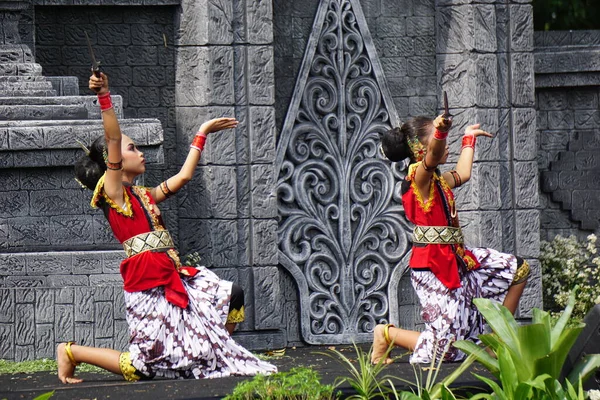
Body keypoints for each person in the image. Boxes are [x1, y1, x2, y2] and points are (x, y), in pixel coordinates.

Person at [58, 73, 277, 383]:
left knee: (233, 295)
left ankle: (221, 348)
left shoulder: (144, 195)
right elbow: (114, 139)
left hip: (171, 272)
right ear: (114, 161)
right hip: (147, 282)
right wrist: (104, 96)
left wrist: (201, 132)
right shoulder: (114, 194)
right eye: (133, 149)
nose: (140, 152)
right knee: (142, 367)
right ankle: (71, 352)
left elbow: (184, 176)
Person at [371, 112, 530, 365]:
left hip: (457, 258)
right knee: (447, 351)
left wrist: (468, 139)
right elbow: (433, 157)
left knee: (517, 269)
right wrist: (440, 132)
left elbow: (463, 174)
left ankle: (496, 341)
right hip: (433, 266)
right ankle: (387, 334)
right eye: (440, 141)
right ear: (422, 148)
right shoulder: (419, 180)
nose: (446, 147)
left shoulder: (437, 181)